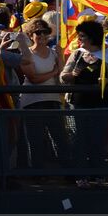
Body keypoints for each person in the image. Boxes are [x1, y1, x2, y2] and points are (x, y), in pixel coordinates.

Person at [61, 19, 108, 187]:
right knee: (78, 140)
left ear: (93, 37)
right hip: (77, 103)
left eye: (83, 36)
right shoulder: (77, 54)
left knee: (98, 139)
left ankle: (99, 174)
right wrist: (73, 74)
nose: (79, 40)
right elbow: (63, 77)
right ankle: (81, 175)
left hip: (101, 104)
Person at [15, 18, 64, 176]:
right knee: (35, 140)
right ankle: (37, 173)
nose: (42, 35)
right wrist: (53, 72)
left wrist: (61, 56)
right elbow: (34, 78)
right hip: (33, 102)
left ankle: (66, 170)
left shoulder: (54, 53)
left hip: (53, 100)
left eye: (45, 32)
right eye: (38, 32)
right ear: (31, 35)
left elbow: (61, 77)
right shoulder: (26, 54)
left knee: (59, 138)